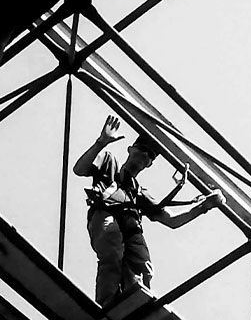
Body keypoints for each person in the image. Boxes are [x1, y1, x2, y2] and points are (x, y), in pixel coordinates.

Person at [72, 115, 224, 307]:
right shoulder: (110, 165)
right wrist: (101, 143)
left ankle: (135, 302)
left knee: (143, 268)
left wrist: (204, 207)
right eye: (142, 150)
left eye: (149, 155)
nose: (144, 156)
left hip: (131, 226)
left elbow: (172, 220)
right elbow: (79, 169)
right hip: (106, 213)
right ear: (131, 149)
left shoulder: (139, 193)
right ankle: (108, 303)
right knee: (112, 251)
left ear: (150, 163)